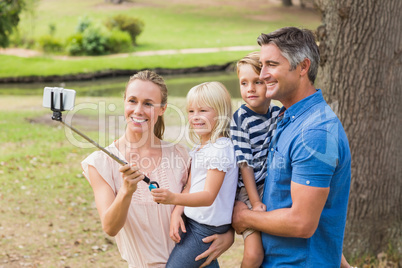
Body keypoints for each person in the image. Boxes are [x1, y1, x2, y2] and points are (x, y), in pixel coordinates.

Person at [81, 71, 234, 268]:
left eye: (148, 103)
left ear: (162, 109)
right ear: (124, 103)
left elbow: (222, 194)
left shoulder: (181, 155)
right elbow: (110, 227)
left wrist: (228, 233)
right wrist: (126, 191)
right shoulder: (100, 163)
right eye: (132, 101)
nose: (138, 110)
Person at [232, 27, 352, 267]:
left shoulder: (315, 132)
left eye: (271, 65)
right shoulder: (286, 118)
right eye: (262, 65)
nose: (263, 74)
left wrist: (244, 216)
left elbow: (302, 222)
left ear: (303, 67)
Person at [151, 81, 238, 268]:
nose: (196, 117)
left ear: (221, 113)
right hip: (193, 222)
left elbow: (208, 197)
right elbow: (189, 186)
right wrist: (177, 211)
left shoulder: (220, 149)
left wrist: (172, 197)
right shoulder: (201, 147)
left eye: (203, 111)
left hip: (206, 228)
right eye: (191, 111)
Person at [230, 51, 281, 268]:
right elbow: (245, 164)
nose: (250, 88)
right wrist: (256, 202)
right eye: (244, 83)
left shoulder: (277, 113)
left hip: (270, 184)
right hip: (249, 189)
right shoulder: (240, 118)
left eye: (257, 82)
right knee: (254, 255)